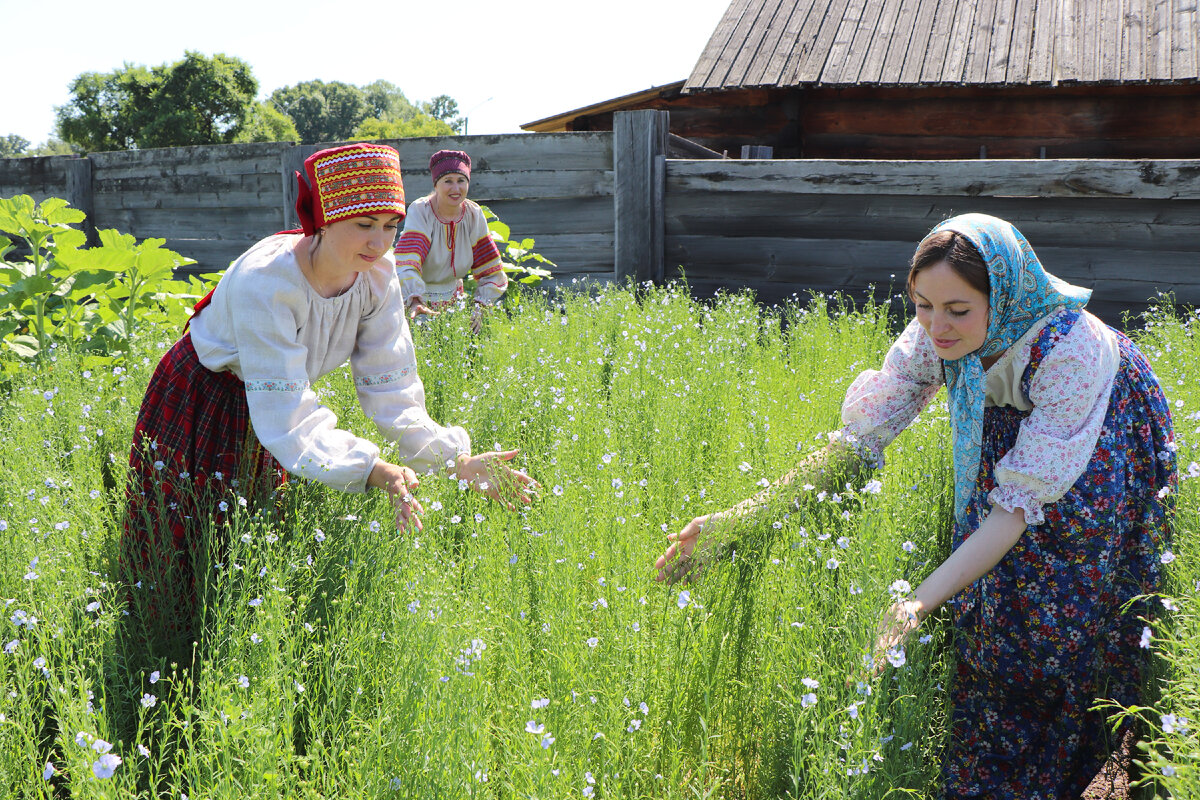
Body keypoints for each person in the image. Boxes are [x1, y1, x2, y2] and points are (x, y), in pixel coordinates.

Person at [655, 213, 1176, 797]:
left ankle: (1091, 752)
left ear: (1001, 296)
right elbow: (856, 445)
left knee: (1066, 604)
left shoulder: (1070, 352)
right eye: (923, 303)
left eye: (958, 309)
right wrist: (738, 523)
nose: (936, 326)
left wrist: (915, 605)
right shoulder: (932, 338)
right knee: (989, 610)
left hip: (1096, 443)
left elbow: (1012, 511)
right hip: (1019, 435)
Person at [123, 143, 536, 654]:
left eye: (391, 225)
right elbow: (289, 415)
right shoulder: (267, 283)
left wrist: (457, 460)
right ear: (323, 218)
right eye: (364, 223)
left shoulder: (377, 280)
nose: (379, 241)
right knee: (182, 537)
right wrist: (373, 470)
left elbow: (393, 388)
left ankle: (241, 649)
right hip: (206, 394)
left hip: (270, 402)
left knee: (252, 543)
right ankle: (161, 652)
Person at [393, 149, 508, 333]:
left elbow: (491, 269)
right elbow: (407, 262)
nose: (456, 189)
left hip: (456, 304)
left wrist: (480, 306)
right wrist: (414, 299)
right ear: (436, 184)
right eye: (448, 181)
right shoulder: (421, 211)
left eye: (461, 181)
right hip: (417, 303)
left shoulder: (473, 214)